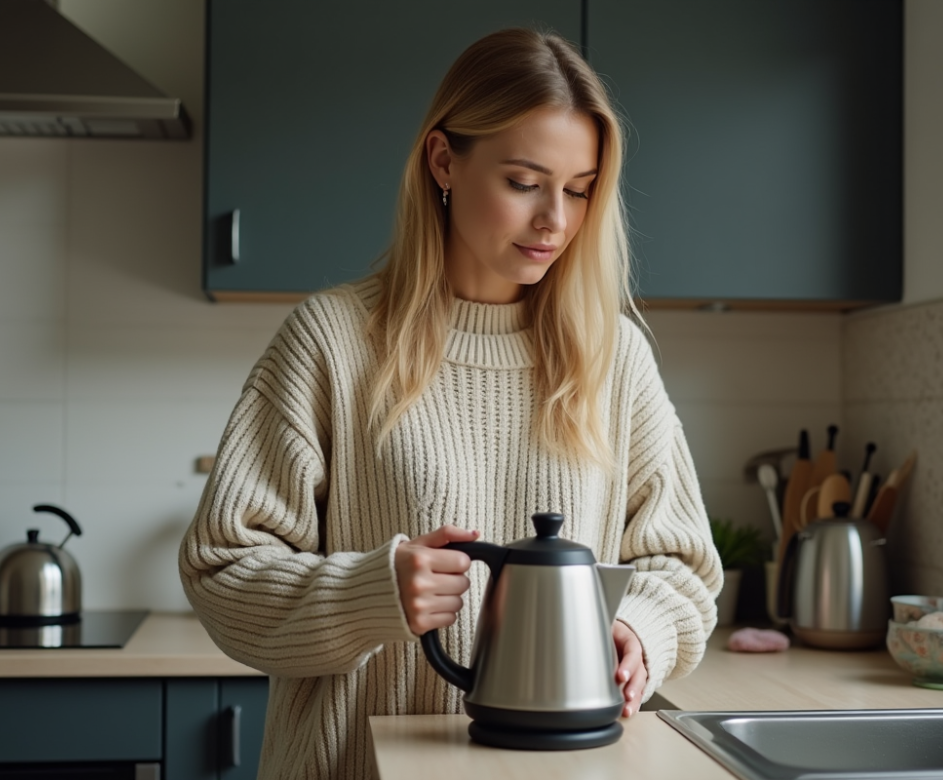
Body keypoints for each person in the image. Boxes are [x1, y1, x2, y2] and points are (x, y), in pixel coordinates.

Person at [179, 27, 721, 780]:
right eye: (524, 182)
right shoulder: (331, 341)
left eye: (578, 189)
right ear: (443, 160)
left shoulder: (613, 356)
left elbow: (685, 568)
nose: (555, 220)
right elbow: (222, 570)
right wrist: (368, 594)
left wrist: (640, 626)